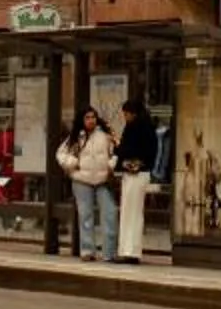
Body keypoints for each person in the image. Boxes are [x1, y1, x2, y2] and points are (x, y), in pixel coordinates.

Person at [55, 106, 117, 261]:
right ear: (82, 120)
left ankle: (109, 253)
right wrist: (73, 163)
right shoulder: (76, 137)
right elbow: (60, 154)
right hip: (82, 179)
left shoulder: (105, 135)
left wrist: (111, 165)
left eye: (93, 117)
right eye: (87, 117)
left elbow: (116, 152)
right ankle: (87, 251)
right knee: (86, 216)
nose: (91, 120)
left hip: (103, 180)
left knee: (110, 213)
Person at [113, 99, 157, 266]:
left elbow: (127, 150)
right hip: (137, 173)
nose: (125, 117)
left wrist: (119, 147)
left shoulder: (135, 128)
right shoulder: (146, 128)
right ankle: (128, 250)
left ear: (134, 113)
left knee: (130, 213)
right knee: (131, 213)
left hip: (136, 174)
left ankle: (129, 251)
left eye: (126, 113)